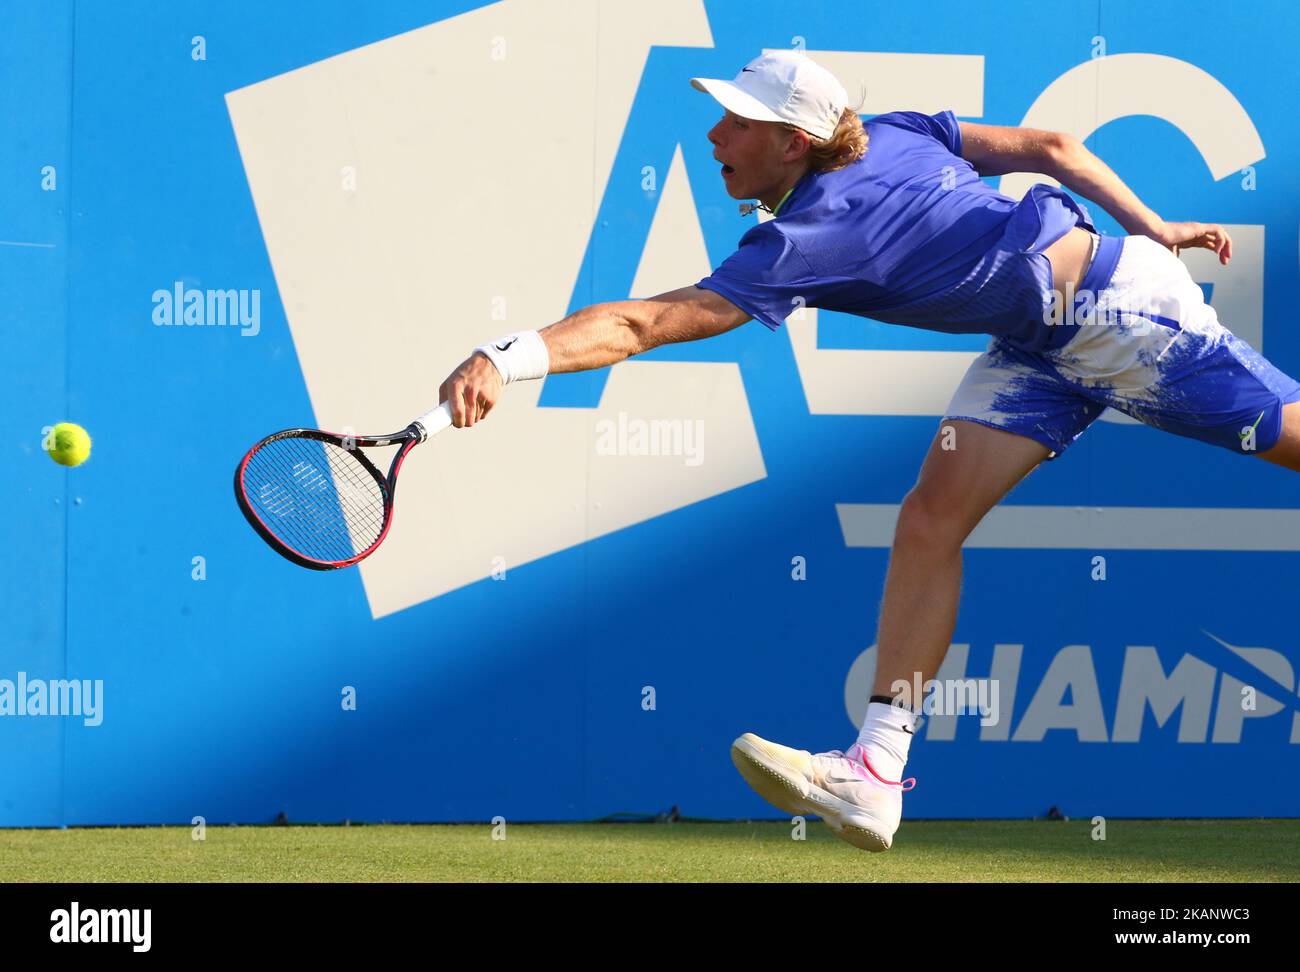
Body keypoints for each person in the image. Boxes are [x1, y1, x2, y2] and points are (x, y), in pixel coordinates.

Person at [436, 50, 1300, 852]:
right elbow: (1052, 144)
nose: (714, 136)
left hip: (1123, 315)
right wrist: (1156, 222)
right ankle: (876, 771)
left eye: (736, 123)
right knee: (929, 518)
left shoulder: (802, 241)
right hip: (1038, 345)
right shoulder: (896, 131)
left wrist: (508, 357)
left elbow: (638, 324)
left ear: (792, 140)